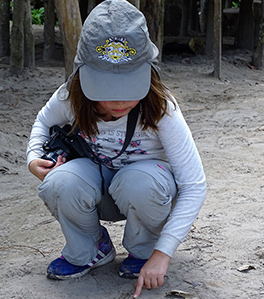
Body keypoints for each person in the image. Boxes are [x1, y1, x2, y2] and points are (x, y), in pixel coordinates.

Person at [27, 0, 206, 297]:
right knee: (58, 182)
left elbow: (194, 185)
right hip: (96, 185)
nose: (119, 101)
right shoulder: (70, 98)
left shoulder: (162, 108)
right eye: (106, 89)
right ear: (83, 75)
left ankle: (144, 249)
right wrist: (34, 158)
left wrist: (163, 254)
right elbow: (42, 122)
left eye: (129, 87)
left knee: (138, 182)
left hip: (146, 191)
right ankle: (90, 249)